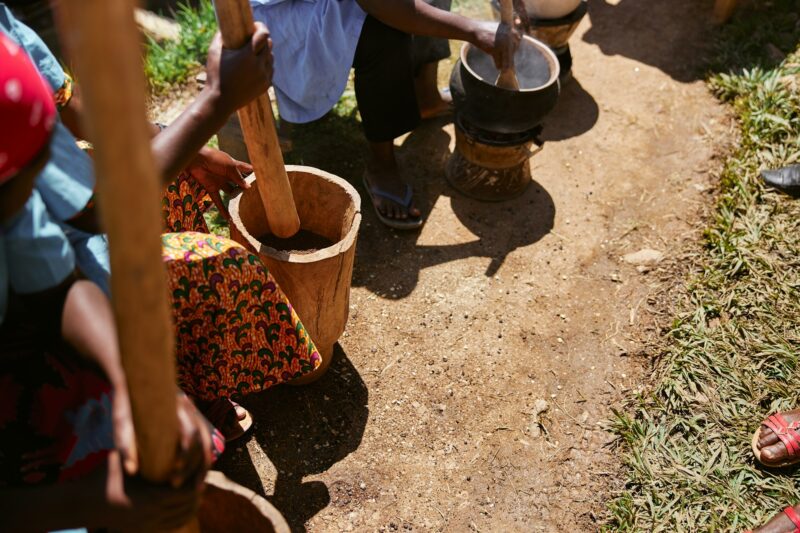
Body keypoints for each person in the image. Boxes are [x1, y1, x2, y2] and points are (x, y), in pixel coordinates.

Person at [0, 4, 322, 441]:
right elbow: (94, 209)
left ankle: (191, 378)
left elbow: (68, 104)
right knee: (220, 269)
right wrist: (215, 100)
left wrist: (192, 149)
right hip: (24, 346)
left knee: (178, 179)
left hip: (55, 236)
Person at [0, 31, 220, 531]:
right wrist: (81, 503)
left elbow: (57, 283)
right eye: (24, 186)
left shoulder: (16, 197)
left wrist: (129, 383)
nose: (39, 198)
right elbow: (92, 212)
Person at [250, 0, 520, 230]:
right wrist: (473, 30)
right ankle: (382, 164)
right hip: (281, 12)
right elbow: (377, 3)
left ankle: (426, 96)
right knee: (384, 31)